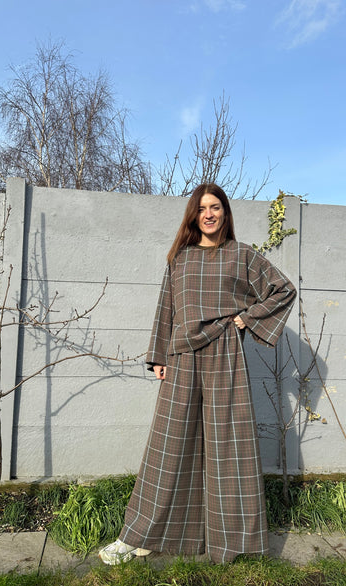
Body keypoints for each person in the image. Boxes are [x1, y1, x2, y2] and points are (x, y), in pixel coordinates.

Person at [99, 183, 297, 565]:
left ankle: (231, 543)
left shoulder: (242, 255)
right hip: (183, 357)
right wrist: (159, 356)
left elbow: (282, 289)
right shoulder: (180, 258)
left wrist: (246, 318)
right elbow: (167, 308)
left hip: (225, 354)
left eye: (216, 207)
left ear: (225, 213)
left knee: (229, 448)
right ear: (194, 214)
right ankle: (141, 535)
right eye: (202, 208)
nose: (209, 214)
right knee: (168, 447)